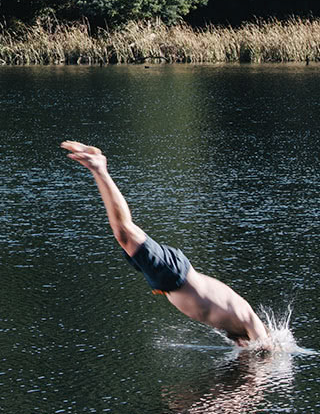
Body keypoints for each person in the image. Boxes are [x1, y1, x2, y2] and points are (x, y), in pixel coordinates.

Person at [61, 141, 268, 346]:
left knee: (124, 236)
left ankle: (97, 167)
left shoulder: (237, 330)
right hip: (175, 274)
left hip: (171, 279)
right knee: (123, 231)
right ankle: (99, 167)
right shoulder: (250, 322)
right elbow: (264, 348)